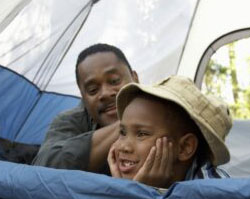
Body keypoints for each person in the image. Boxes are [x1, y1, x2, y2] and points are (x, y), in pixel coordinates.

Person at [108, 76, 232, 188]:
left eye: (142, 134)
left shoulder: (212, 192)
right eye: (123, 132)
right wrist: (123, 189)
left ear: (184, 147)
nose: (124, 147)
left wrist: (140, 193)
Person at [32, 43, 138, 173]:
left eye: (114, 81)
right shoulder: (70, 121)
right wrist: (128, 124)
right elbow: (44, 168)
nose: (105, 93)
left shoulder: (163, 109)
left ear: (135, 79)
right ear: (83, 97)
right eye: (93, 90)